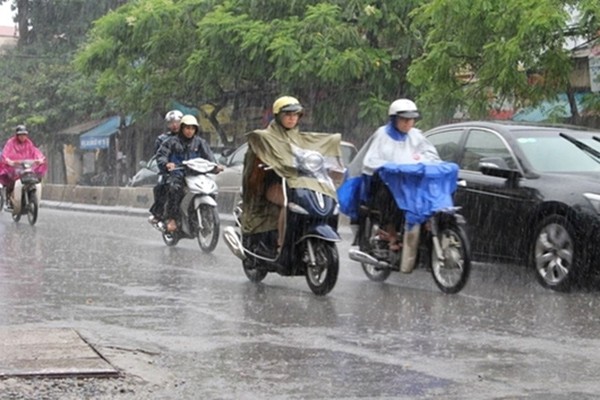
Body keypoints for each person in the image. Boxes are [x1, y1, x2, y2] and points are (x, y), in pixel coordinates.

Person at [241, 96, 343, 252]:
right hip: (274, 184)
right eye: (287, 114)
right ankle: (281, 244)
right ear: (278, 116)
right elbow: (257, 152)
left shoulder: (301, 139)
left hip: (299, 186)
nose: (291, 118)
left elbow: (316, 151)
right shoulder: (267, 137)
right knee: (286, 204)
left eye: (295, 114)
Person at [343, 98, 441, 251]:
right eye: (404, 119)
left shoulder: (416, 136)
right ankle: (392, 236)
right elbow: (370, 161)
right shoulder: (382, 135)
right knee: (390, 199)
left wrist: (430, 163)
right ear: (394, 119)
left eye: (411, 119)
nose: (408, 123)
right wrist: (388, 167)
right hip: (384, 183)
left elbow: (430, 154)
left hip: (409, 183)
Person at [156, 114, 222, 232]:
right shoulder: (170, 142)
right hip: (177, 174)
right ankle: (172, 218)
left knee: (210, 188)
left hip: (196, 174)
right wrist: (167, 164)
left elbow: (209, 157)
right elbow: (161, 156)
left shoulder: (200, 142)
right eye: (187, 128)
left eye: (192, 128)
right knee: (174, 189)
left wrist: (215, 166)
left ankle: (207, 216)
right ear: (182, 128)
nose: (189, 131)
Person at [148, 110, 183, 225]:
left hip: (188, 171)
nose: (174, 125)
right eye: (171, 122)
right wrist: (166, 165)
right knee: (164, 188)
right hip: (170, 172)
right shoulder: (162, 139)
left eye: (177, 122)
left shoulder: (191, 138)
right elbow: (160, 157)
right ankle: (161, 214)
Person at [0, 125, 47, 208]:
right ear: (17, 135)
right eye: (20, 135)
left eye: (24, 135)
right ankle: (10, 196)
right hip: (15, 167)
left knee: (33, 177)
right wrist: (8, 161)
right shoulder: (11, 143)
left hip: (26, 167)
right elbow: (5, 153)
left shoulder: (29, 143)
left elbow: (35, 152)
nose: (23, 137)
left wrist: (40, 159)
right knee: (11, 180)